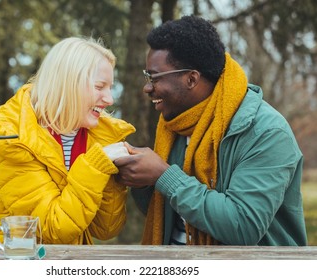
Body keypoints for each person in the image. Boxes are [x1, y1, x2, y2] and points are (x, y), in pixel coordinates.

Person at [114, 15, 307, 246]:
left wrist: (163, 176)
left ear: (191, 79)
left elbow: (243, 227)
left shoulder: (267, 133)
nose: (147, 88)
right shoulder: (176, 123)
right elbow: (170, 215)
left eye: (154, 77)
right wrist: (144, 181)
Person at [0, 36, 135, 245]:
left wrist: (110, 172)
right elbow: (53, 228)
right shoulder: (14, 139)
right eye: (100, 87)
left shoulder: (97, 136)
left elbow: (106, 228)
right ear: (67, 84)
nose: (110, 99)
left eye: (110, 88)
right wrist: (96, 165)